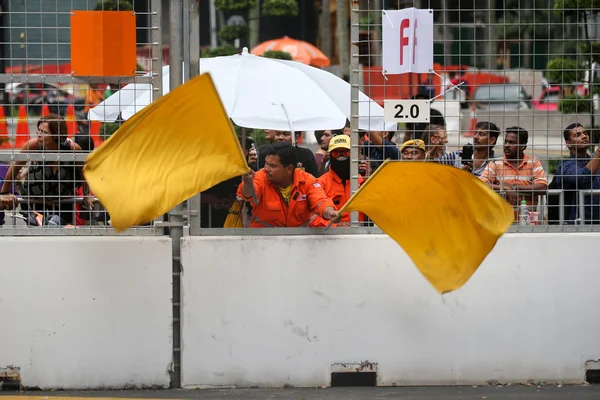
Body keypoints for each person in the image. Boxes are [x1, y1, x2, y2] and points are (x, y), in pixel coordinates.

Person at [0, 114, 83, 226]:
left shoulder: (73, 149)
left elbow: (85, 173)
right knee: (42, 233)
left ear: (56, 135)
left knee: (64, 234)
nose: (39, 135)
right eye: (38, 130)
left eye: (44, 132)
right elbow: (14, 168)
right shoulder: (33, 145)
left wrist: (87, 196)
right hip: (35, 203)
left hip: (64, 203)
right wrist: (5, 192)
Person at [237, 142, 339, 227]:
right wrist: (247, 183)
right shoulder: (260, 177)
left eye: (272, 166)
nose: (266, 169)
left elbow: (320, 200)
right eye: (266, 163)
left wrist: (330, 212)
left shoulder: (306, 180)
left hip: (297, 242)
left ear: (289, 168)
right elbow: (248, 195)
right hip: (263, 242)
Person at [479, 126, 547, 210]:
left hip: (527, 220)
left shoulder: (533, 162)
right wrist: (505, 188)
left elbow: (542, 187)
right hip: (503, 220)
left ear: (523, 146)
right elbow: (480, 184)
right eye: (505, 141)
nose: (507, 145)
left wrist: (514, 188)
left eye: (511, 142)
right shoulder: (495, 163)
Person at [310, 135, 369, 227]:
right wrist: (336, 226)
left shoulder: (362, 181)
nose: (341, 157)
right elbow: (311, 217)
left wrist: (369, 180)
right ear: (330, 156)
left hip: (360, 235)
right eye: (336, 154)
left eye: (346, 153)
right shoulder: (321, 183)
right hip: (332, 237)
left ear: (352, 154)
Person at [552, 123, 600, 224]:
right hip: (576, 226)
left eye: (585, 133)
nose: (584, 136)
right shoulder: (565, 165)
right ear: (569, 143)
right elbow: (584, 179)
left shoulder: (595, 160)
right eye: (577, 135)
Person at [435, 121, 500, 177]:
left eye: (481, 134)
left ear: (492, 140)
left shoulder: (495, 165)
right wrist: (434, 149)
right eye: (475, 133)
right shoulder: (458, 155)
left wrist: (469, 175)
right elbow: (431, 164)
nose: (475, 137)